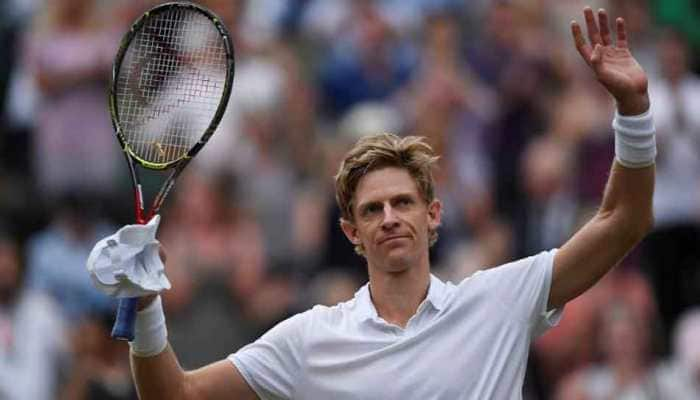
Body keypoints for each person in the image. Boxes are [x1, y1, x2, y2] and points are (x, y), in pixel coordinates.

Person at [92, 7, 657, 399]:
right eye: (371, 209)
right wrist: (144, 307)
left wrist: (632, 111)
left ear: (432, 215)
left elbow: (623, 220)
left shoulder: (497, 301)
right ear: (350, 232)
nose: (389, 217)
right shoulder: (310, 339)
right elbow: (176, 395)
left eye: (403, 203)